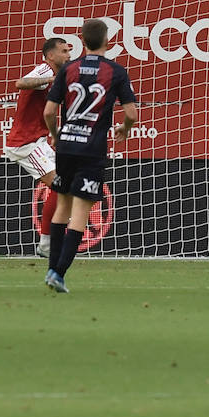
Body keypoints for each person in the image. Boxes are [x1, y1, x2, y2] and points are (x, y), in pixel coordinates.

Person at [42, 17, 137, 292]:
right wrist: (125, 128)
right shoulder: (115, 71)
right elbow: (131, 113)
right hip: (91, 149)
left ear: (81, 41)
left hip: (67, 146)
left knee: (62, 207)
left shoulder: (68, 68)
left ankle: (51, 268)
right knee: (81, 212)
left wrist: (57, 134)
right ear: (108, 42)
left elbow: (49, 111)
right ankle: (58, 273)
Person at [3, 37, 70, 257]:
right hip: (26, 143)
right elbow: (20, 83)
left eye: (69, 51)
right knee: (61, 186)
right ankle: (47, 244)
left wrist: (53, 134)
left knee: (64, 186)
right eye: (63, 51)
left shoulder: (59, 76)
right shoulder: (44, 70)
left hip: (38, 139)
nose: (68, 55)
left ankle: (48, 243)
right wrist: (51, 78)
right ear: (50, 55)